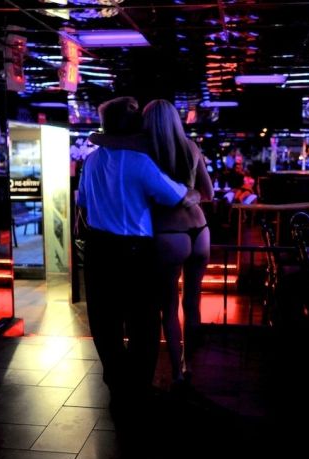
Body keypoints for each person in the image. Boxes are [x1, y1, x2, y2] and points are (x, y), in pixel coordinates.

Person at [76, 96, 200, 410]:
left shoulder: (92, 162)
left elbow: (83, 205)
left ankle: (117, 388)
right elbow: (175, 196)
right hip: (134, 251)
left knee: (105, 323)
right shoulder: (140, 162)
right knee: (143, 324)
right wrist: (194, 193)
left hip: (98, 249)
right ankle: (139, 390)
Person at [141, 99, 214, 387]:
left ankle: (176, 372)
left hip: (169, 232)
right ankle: (190, 363)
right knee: (193, 302)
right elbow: (208, 192)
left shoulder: (145, 151)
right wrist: (190, 193)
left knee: (169, 307)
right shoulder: (192, 147)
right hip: (200, 229)